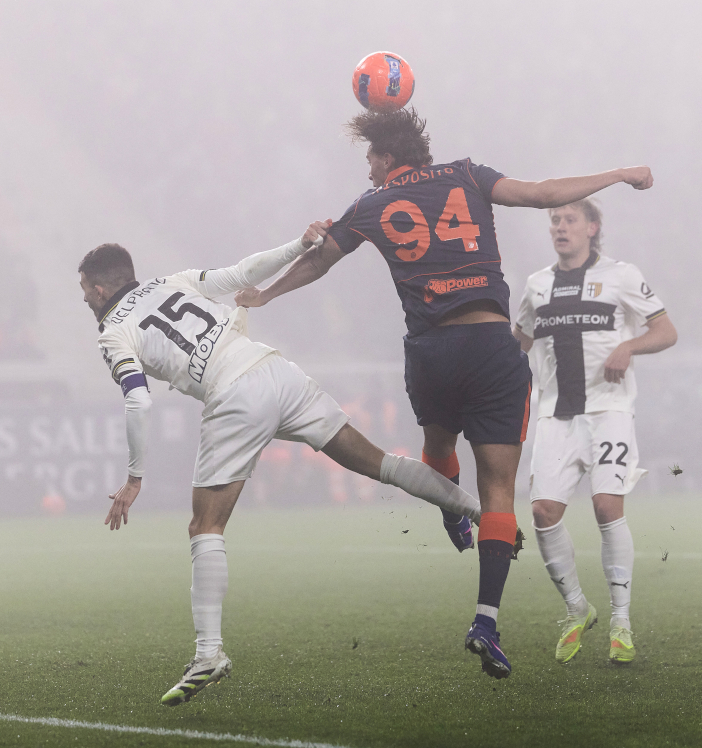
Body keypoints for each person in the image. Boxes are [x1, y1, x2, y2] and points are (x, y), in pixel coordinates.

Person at [234, 107, 653, 678]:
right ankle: (485, 620)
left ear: (385, 156)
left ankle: (454, 512)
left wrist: (265, 294)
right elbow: (540, 193)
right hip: (488, 344)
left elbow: (321, 260)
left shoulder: (371, 205)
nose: (369, 171)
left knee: (437, 447)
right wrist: (619, 173)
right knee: (501, 489)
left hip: (430, 351)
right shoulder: (466, 174)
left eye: (370, 160)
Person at [79, 223, 482, 706]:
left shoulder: (112, 330)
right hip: (274, 370)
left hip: (233, 394)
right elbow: (242, 273)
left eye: (84, 289)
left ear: (100, 288)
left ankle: (209, 654)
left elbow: (138, 402)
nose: (84, 298)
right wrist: (300, 244)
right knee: (379, 462)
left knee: (205, 527)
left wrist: (134, 478)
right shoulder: (171, 281)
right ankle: (484, 513)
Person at [512, 199, 676, 665]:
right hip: (555, 416)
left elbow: (666, 332)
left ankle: (621, 621)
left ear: (592, 227)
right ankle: (577, 610)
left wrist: (628, 345)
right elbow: (517, 344)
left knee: (606, 505)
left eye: (569, 221)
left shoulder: (621, 275)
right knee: (543, 512)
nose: (560, 229)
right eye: (555, 222)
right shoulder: (537, 285)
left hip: (609, 410)